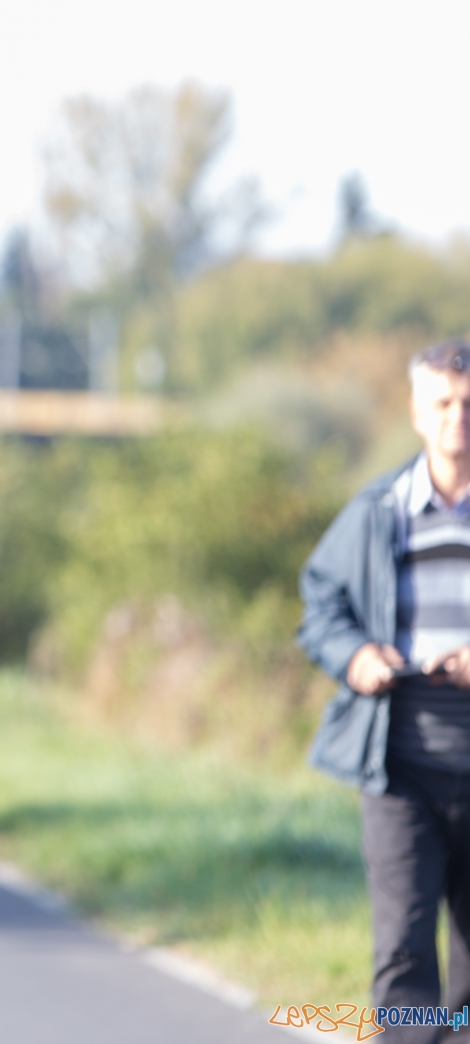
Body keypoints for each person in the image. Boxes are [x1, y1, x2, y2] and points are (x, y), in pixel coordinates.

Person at [300, 339, 470, 1042]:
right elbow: (320, 606)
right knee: (402, 948)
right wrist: (356, 655)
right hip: (398, 765)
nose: (457, 417)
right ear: (416, 412)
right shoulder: (379, 509)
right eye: (443, 403)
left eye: (469, 403)